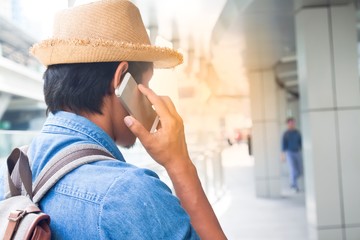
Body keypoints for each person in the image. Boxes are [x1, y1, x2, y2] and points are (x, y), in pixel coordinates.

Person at [0, 0, 227, 239]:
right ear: (120, 79)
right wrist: (179, 164)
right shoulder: (130, 193)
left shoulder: (10, 177)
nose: (150, 100)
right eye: (146, 84)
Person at [281, 117, 302, 192]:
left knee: (299, 171)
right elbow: (283, 146)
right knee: (293, 169)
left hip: (297, 152)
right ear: (288, 124)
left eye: (293, 123)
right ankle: (294, 185)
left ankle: (292, 181)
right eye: (290, 123)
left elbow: (300, 143)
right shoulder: (286, 134)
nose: (292, 124)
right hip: (289, 153)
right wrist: (283, 156)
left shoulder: (297, 132)